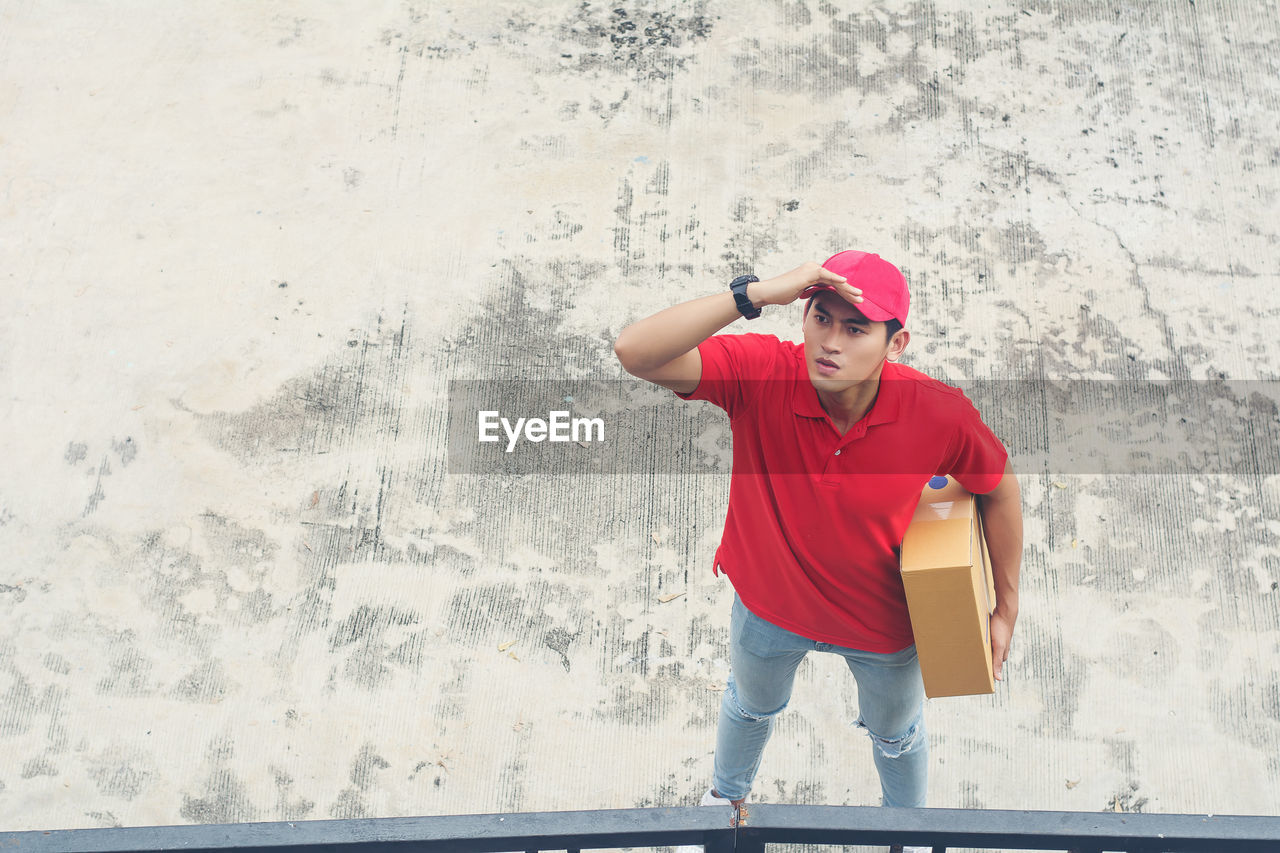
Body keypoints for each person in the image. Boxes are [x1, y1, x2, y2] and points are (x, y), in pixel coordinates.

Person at [613, 251, 1023, 853]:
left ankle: (904, 832)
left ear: (896, 342)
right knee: (750, 708)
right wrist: (755, 294)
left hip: (883, 626)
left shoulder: (939, 413)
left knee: (896, 735)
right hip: (768, 607)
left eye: (856, 329)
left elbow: (999, 486)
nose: (830, 342)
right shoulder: (762, 374)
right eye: (820, 318)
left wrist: (1005, 608)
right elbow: (635, 352)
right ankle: (724, 803)